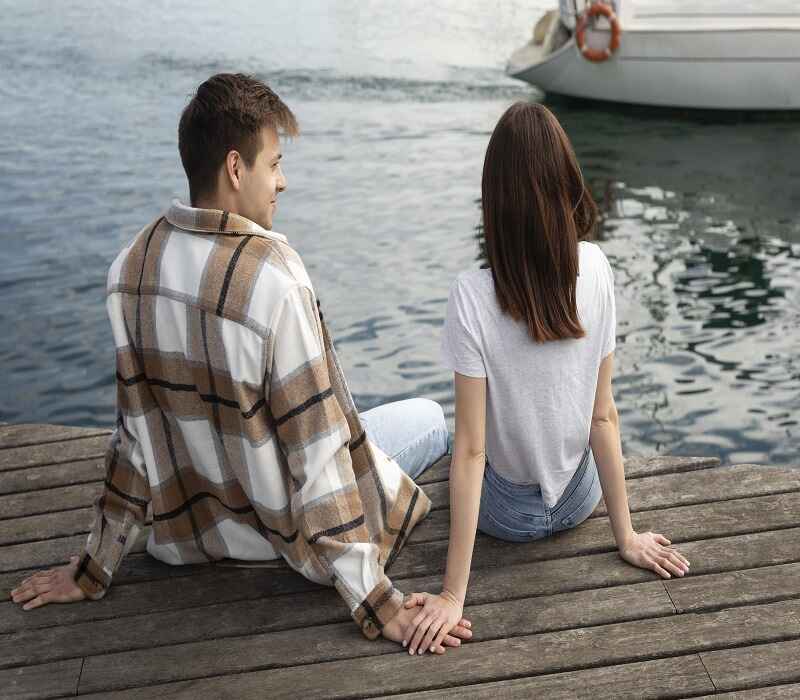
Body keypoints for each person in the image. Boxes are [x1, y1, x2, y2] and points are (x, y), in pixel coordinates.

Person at [10, 73, 472, 651]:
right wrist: (380, 606)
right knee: (429, 417)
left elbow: (132, 440)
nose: (282, 180)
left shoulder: (129, 269)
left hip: (194, 538)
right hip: (287, 536)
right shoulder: (274, 279)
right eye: (273, 163)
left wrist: (92, 569)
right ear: (236, 168)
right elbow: (319, 453)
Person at [399, 102, 690, 656]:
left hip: (507, 515)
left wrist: (453, 595)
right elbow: (601, 415)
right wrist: (625, 536)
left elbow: (471, 452)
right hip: (580, 497)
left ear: (496, 199)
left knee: (443, 438)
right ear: (567, 185)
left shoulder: (471, 295)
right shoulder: (599, 268)